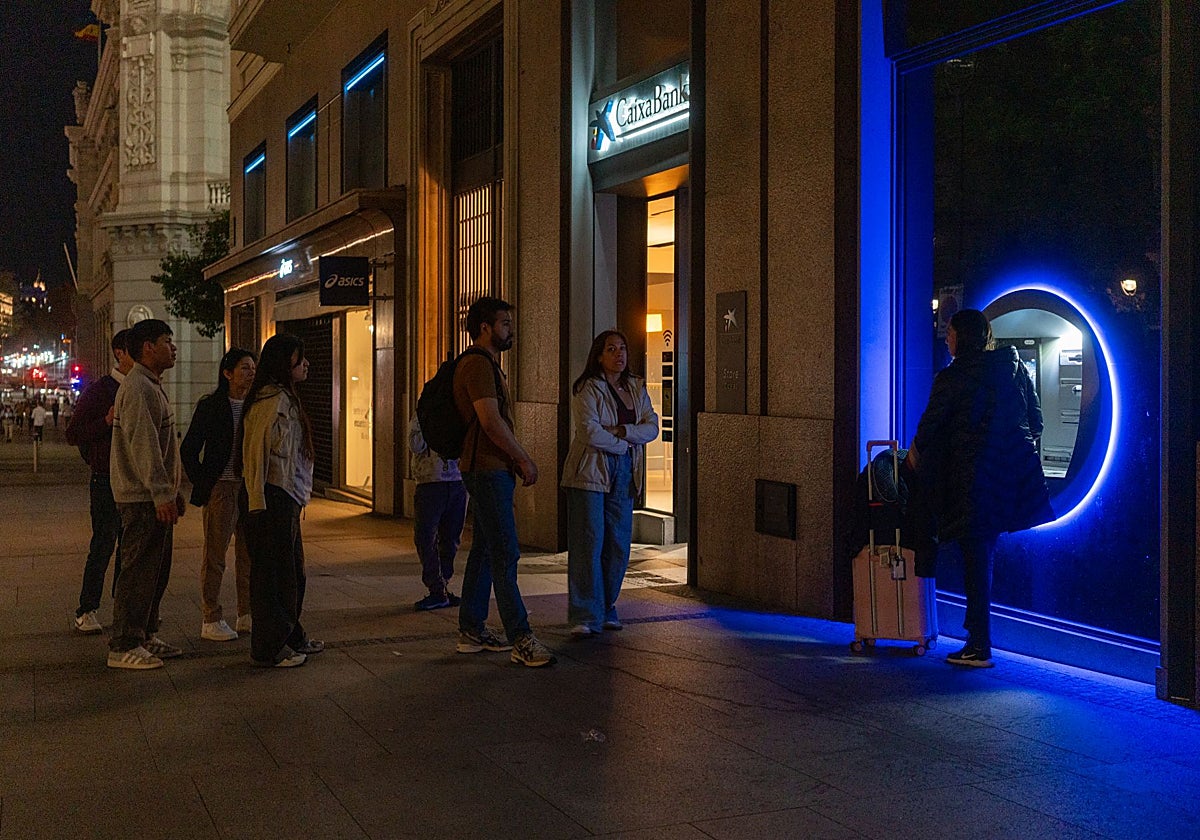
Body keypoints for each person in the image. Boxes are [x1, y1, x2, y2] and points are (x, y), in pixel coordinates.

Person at [905, 308, 1054, 668]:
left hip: (969, 480)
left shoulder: (952, 378)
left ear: (964, 338)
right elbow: (1037, 422)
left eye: (951, 333)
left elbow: (929, 427)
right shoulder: (1014, 369)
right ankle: (977, 638)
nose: (946, 338)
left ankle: (979, 645)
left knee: (975, 558)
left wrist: (913, 460)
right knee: (981, 556)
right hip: (1006, 481)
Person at [453, 296, 555, 667]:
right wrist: (522, 457)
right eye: (505, 324)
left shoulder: (487, 364)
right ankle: (521, 637)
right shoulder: (478, 365)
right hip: (487, 468)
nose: (511, 330)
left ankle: (471, 629)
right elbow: (491, 421)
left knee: (484, 549)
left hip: (486, 467)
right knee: (505, 553)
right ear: (485, 327)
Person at [561, 330, 659, 637]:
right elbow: (589, 431)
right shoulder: (587, 388)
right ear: (599, 356)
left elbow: (652, 426)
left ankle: (606, 606)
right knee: (589, 542)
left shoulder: (636, 387)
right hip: (590, 470)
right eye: (611, 349)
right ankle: (584, 613)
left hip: (625, 471)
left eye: (623, 348)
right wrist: (624, 442)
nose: (619, 354)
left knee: (617, 543)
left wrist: (621, 431)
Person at [107, 319, 186, 670]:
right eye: (167, 341)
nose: (174, 348)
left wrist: (171, 490)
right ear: (148, 348)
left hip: (152, 496)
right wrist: (159, 493)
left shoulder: (150, 384)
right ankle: (124, 643)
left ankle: (144, 634)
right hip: (140, 499)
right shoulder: (139, 387)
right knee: (138, 571)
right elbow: (145, 447)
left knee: (156, 570)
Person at [241, 334, 322, 668]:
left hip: (287, 496)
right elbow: (255, 455)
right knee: (275, 575)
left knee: (292, 573)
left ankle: (290, 635)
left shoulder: (285, 397)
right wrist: (257, 503)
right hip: (273, 497)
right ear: (283, 364)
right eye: (298, 358)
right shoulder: (270, 401)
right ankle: (271, 646)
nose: (305, 364)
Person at [181, 348, 257, 642]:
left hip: (249, 487)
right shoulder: (211, 405)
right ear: (227, 373)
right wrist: (206, 482)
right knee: (216, 555)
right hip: (222, 489)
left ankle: (246, 613)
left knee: (248, 554)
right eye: (245, 368)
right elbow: (188, 449)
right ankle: (211, 617)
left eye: (253, 368)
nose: (251, 373)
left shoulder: (254, 404)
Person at [65, 329, 134, 634]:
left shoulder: (143, 387)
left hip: (135, 481)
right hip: (106, 480)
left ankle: (125, 608)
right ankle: (87, 608)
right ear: (120, 353)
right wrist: (105, 422)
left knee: (130, 548)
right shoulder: (100, 391)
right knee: (104, 544)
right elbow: (74, 434)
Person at [408, 412, 467, 611]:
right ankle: (436, 587)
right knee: (426, 536)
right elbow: (415, 445)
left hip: (457, 480)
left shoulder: (459, 412)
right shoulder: (421, 415)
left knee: (451, 538)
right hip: (429, 482)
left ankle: (442, 586)